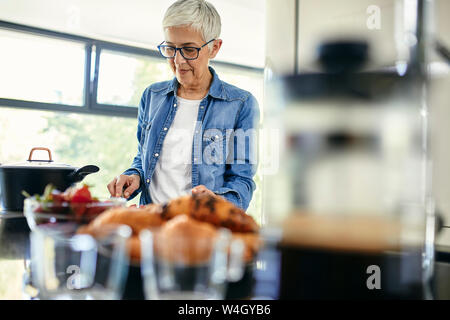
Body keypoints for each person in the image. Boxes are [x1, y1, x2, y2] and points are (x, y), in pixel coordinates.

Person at [107, 0, 259, 211]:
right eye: (170, 48)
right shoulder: (152, 96)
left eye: (189, 50)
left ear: (214, 48)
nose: (177, 61)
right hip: (151, 222)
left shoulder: (241, 104)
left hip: (202, 229)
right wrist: (135, 175)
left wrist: (215, 201)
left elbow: (242, 182)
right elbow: (143, 159)